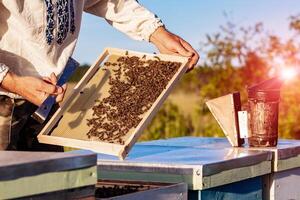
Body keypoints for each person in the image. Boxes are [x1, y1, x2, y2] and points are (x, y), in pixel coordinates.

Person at [0, 0, 199, 151]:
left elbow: (111, 2)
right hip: (4, 101)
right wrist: (12, 81)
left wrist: (156, 33)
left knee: (51, 186)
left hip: (47, 103)